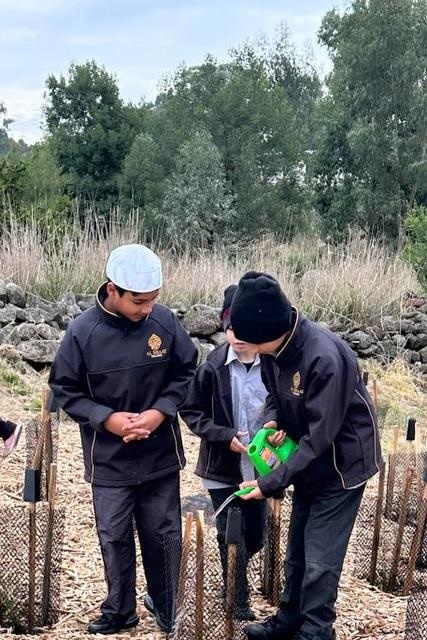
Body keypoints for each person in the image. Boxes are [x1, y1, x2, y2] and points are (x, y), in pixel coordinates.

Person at [49, 244, 197, 635]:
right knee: (114, 536)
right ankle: (119, 611)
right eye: (139, 301)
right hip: (109, 457)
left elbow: (186, 372)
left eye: (153, 300)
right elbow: (64, 389)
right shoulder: (83, 332)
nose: (147, 309)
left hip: (159, 453)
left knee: (164, 535)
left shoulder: (164, 324)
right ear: (112, 289)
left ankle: (167, 606)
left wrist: (160, 411)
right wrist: (107, 419)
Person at [228, 271, 382, 640]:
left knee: (319, 560)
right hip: (307, 463)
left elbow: (319, 439)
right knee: (296, 552)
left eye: (248, 340)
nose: (242, 345)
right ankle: (289, 620)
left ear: (266, 331)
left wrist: (268, 483)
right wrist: (273, 420)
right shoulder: (273, 351)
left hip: (341, 466)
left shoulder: (324, 358)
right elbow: (273, 398)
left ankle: (316, 630)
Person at [181, 285, 277, 621]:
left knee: (255, 536)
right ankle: (237, 600)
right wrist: (223, 436)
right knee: (229, 530)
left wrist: (275, 426)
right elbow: (191, 411)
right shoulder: (213, 365)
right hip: (222, 466)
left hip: (261, 465)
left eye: (242, 328)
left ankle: (233, 575)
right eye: (230, 328)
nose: (236, 336)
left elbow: (283, 406)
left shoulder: (272, 364)